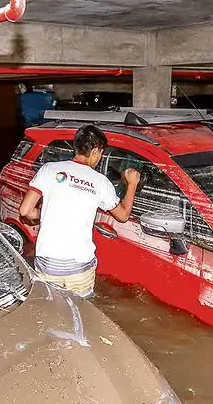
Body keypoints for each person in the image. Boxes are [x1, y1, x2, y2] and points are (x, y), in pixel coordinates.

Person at [18, 125, 140, 297]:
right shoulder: (101, 182)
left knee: (51, 309)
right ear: (97, 150)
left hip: (47, 263)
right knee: (81, 313)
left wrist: (46, 214)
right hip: (78, 265)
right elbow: (123, 215)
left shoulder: (49, 169)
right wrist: (132, 184)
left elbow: (25, 211)